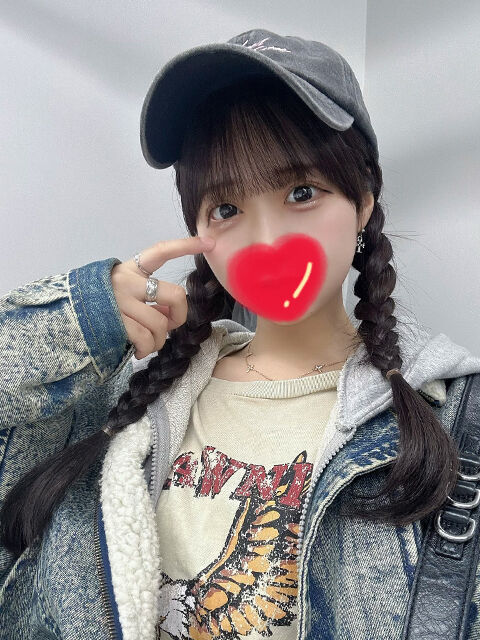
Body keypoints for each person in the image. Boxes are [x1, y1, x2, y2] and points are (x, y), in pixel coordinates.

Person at [1, 27, 480, 640]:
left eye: (301, 193)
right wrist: (81, 317)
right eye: (226, 209)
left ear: (363, 201)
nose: (267, 241)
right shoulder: (128, 398)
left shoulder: (453, 419)